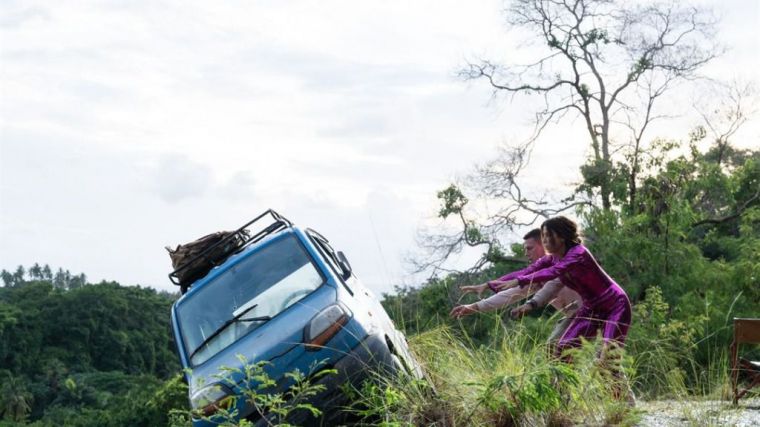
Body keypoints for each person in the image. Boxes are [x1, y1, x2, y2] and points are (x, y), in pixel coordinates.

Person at [493, 216, 633, 402]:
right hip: (591, 309)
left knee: (605, 361)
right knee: (562, 350)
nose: (546, 240)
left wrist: (520, 281)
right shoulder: (551, 259)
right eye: (543, 236)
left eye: (549, 235)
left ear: (562, 237)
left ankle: (625, 406)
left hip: (615, 305)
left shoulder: (578, 253)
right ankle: (561, 400)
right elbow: (526, 272)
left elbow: (552, 273)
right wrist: (488, 285)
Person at [449, 229, 582, 345]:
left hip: (593, 310)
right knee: (554, 350)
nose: (526, 253)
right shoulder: (536, 278)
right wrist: (473, 307)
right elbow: (509, 295)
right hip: (576, 316)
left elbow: (523, 276)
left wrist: (488, 285)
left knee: (559, 350)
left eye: (530, 248)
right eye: (525, 249)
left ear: (544, 246)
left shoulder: (563, 264)